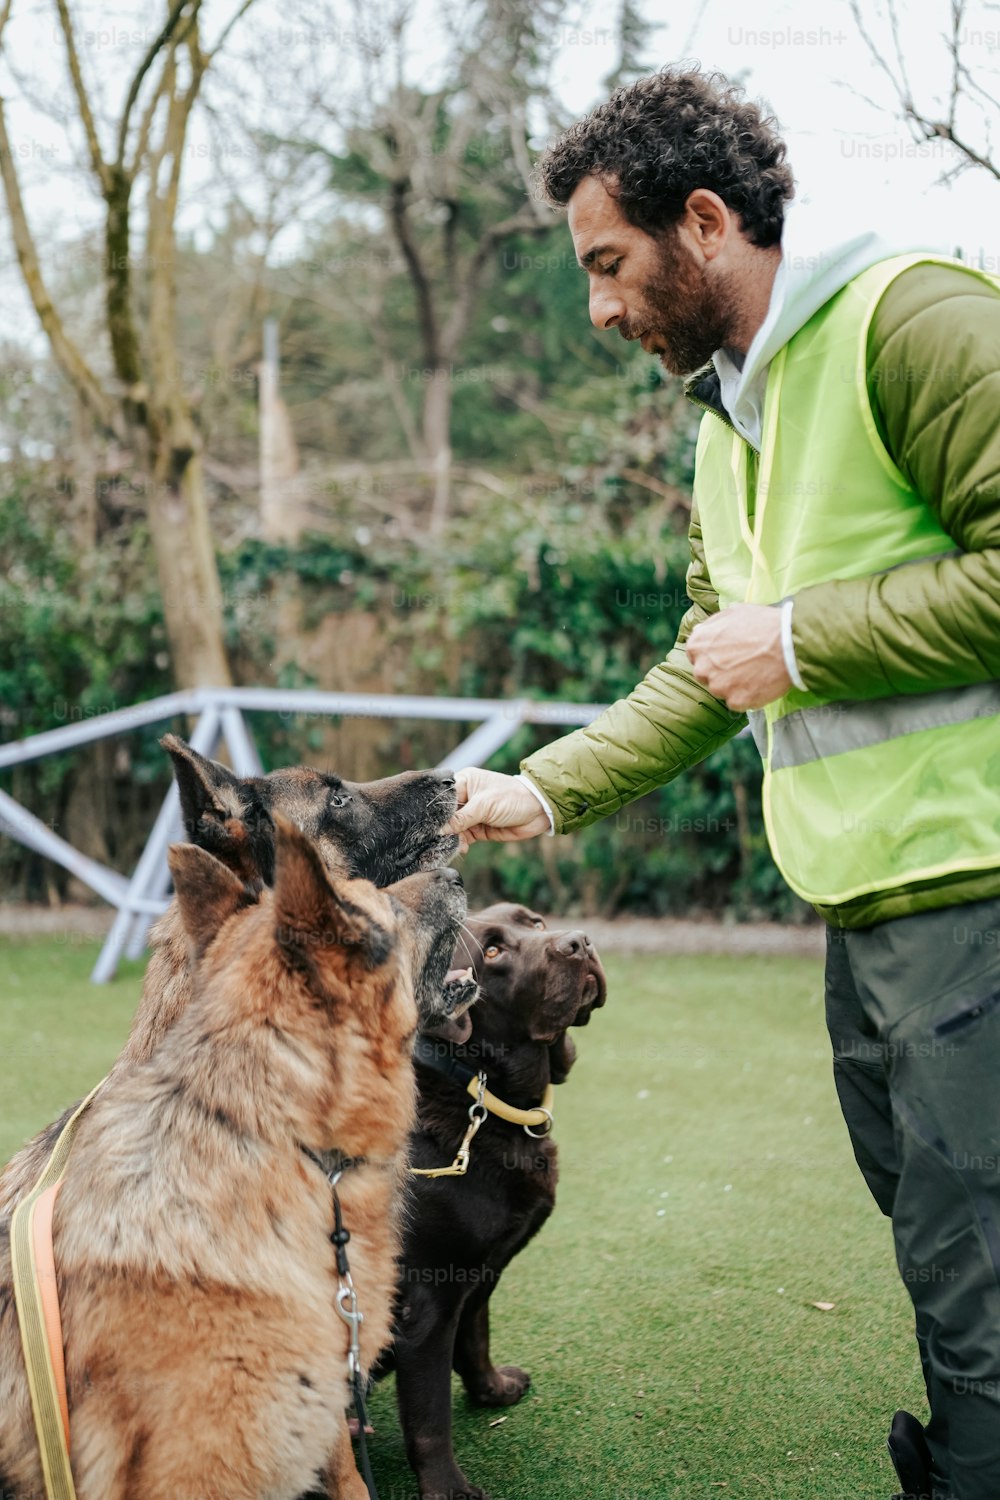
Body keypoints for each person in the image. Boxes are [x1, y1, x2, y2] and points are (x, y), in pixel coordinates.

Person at [446, 66, 1000, 1500]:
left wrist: (805, 641)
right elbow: (711, 667)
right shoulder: (723, 424)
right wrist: (544, 789)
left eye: (610, 264)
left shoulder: (915, 318)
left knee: (969, 1251)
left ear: (704, 222)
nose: (600, 307)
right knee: (937, 1227)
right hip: (861, 890)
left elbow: (777, 647)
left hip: (978, 878)